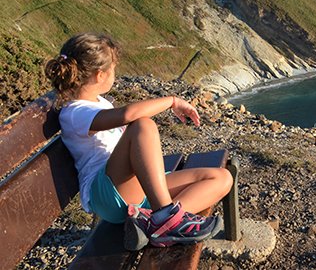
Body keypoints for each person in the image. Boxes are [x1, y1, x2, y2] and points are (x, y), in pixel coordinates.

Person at [44, 33, 233, 250]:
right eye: (113, 68)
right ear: (99, 75)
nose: (115, 73)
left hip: (132, 188)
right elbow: (128, 115)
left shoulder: (97, 103)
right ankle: (165, 217)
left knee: (221, 178)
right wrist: (172, 101)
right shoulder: (75, 113)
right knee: (143, 126)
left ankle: (154, 225)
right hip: (108, 193)